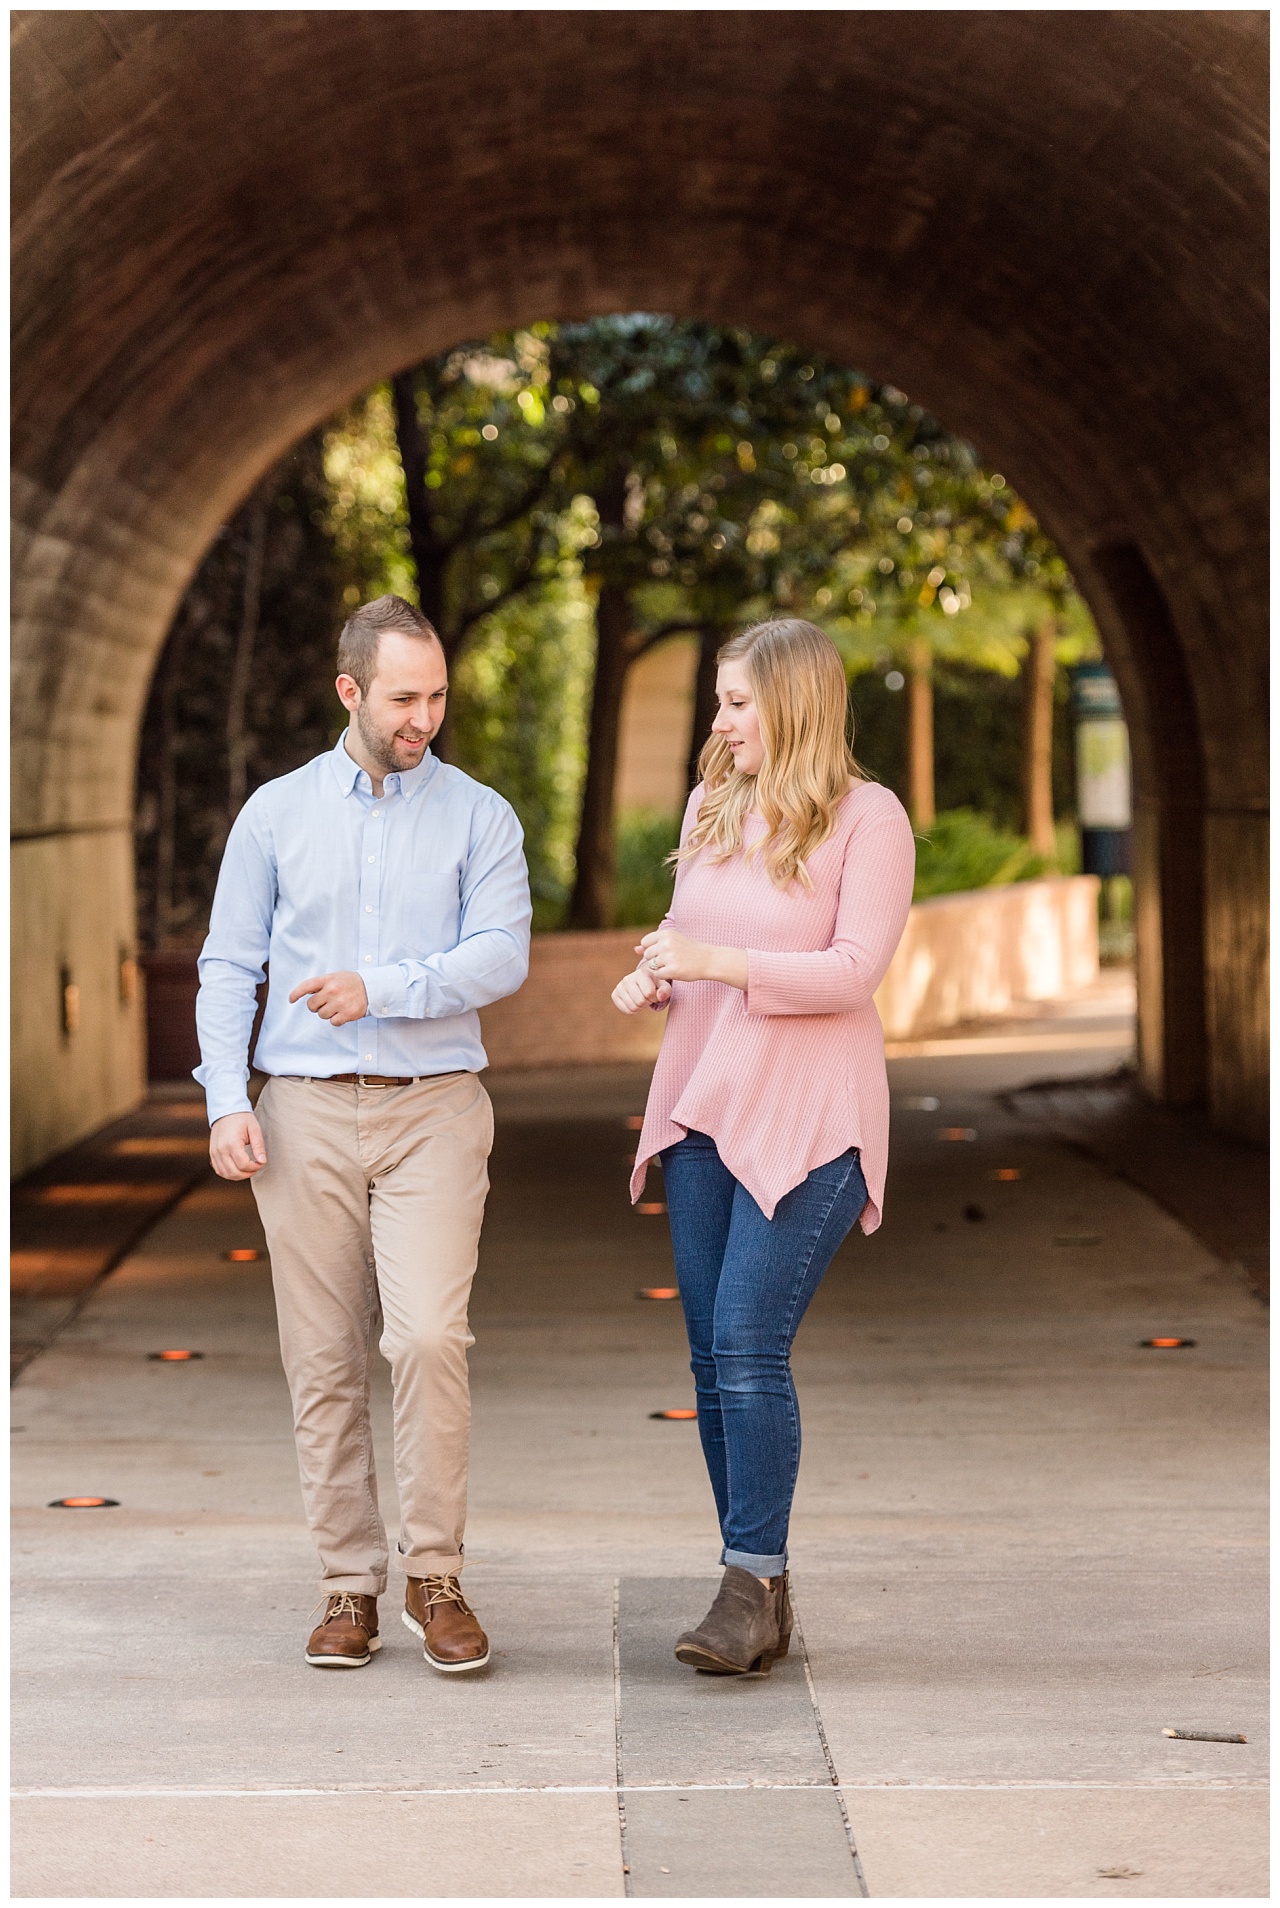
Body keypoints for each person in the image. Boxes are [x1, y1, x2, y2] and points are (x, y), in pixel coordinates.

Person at [195, 594, 531, 1673]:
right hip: (301, 1114)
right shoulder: (276, 814)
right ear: (349, 691)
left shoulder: (480, 815)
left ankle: (437, 1575)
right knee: (323, 1359)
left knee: (429, 1338)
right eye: (402, 697)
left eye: (435, 694)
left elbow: (500, 956)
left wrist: (381, 988)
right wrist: (224, 1099)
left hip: (434, 1105)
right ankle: (348, 1585)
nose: (422, 716)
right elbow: (227, 965)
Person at [612, 618, 914, 1676]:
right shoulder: (710, 805)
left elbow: (850, 971)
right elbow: (693, 939)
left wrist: (719, 959)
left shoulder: (866, 819)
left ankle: (747, 1584)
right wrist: (663, 973)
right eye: (718, 702)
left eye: (737, 702)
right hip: (702, 1110)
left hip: (810, 1119)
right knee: (708, 1359)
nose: (719, 720)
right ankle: (759, 1591)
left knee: (745, 1342)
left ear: (792, 703)